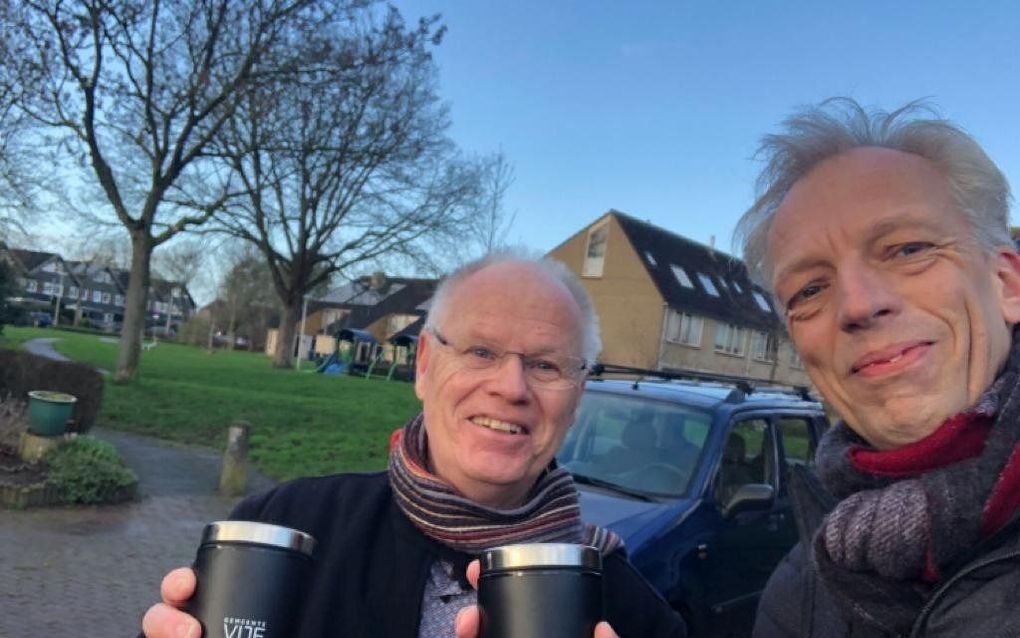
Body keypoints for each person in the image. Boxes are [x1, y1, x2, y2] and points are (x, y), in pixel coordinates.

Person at [141, 254, 687, 638]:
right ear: (424, 364)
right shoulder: (285, 528)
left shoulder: (628, 610)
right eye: (480, 351)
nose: (511, 388)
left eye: (546, 365)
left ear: (579, 394)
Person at [734, 98, 1020, 636]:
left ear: (1007, 285)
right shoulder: (799, 594)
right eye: (810, 289)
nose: (859, 304)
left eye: (908, 249)